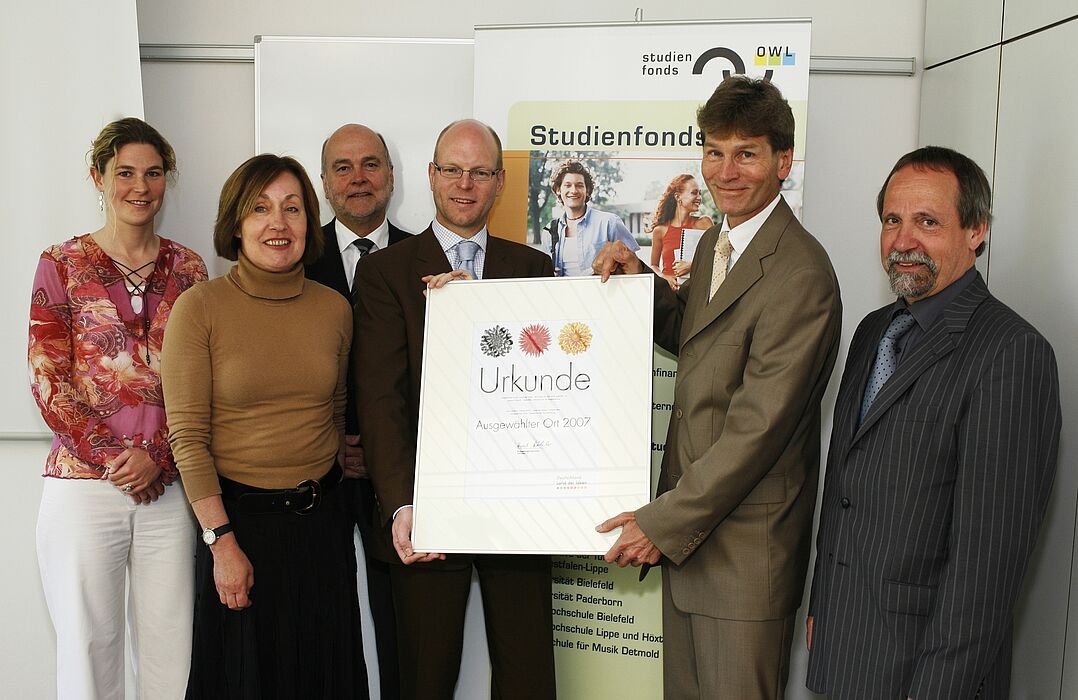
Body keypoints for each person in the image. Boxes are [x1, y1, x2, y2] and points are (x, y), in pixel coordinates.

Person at [593, 76, 842, 699]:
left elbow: (757, 430)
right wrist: (642, 283)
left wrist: (660, 522)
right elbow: (701, 344)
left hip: (741, 560)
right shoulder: (714, 243)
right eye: (713, 151)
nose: (725, 171)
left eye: (746, 153)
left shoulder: (801, 274)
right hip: (691, 546)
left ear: (783, 161)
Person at [805, 147, 1061, 700]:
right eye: (892, 221)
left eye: (927, 222)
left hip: (929, 674)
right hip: (846, 653)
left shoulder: (1012, 354)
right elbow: (845, 489)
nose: (903, 241)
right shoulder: (875, 331)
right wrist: (823, 609)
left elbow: (985, 571)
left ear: (976, 231)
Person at [354, 119, 556, 699]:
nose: (465, 184)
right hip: (427, 508)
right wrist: (400, 505)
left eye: (481, 172)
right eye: (453, 170)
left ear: (499, 182)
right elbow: (380, 399)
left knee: (528, 677)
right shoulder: (387, 272)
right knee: (425, 676)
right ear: (432, 176)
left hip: (518, 507)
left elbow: (549, 390)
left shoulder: (534, 268)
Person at [161, 154, 367, 698]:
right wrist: (221, 543)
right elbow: (186, 437)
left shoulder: (334, 309)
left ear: (308, 222)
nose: (278, 223)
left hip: (321, 530)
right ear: (235, 224)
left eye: (292, 208)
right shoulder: (198, 308)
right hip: (239, 532)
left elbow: (335, 409)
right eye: (261, 208)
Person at [29, 117, 207, 699]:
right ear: (98, 178)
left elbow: (202, 382)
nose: (140, 185)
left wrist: (157, 457)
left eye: (153, 173)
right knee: (87, 651)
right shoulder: (60, 263)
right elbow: (49, 380)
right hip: (83, 488)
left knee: (172, 653)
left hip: (171, 487)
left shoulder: (190, 270)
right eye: (125, 172)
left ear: (167, 181)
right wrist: (117, 459)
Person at [307, 122, 412, 700]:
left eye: (371, 164)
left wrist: (380, 445)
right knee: (320, 620)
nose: (358, 178)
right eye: (342, 167)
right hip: (315, 474)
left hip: (395, 476)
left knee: (403, 627)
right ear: (324, 181)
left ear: (391, 178)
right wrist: (334, 440)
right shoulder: (292, 253)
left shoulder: (425, 258)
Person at [540, 159, 638, 276]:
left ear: (587, 191)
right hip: (563, 293)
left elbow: (634, 266)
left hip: (603, 292)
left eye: (579, 185)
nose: (574, 190)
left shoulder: (609, 222)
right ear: (558, 190)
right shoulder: (549, 231)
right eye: (567, 185)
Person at [648, 173, 714, 288]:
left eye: (700, 193)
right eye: (694, 193)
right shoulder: (660, 231)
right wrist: (664, 277)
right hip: (669, 292)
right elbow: (654, 266)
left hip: (695, 291)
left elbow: (716, 257)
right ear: (678, 197)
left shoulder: (704, 223)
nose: (699, 197)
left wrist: (693, 266)